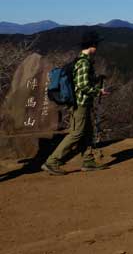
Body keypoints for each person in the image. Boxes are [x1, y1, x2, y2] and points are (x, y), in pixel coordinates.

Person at [41, 30, 110, 175]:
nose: (97, 47)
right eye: (96, 44)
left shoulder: (81, 61)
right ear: (92, 45)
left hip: (81, 103)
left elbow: (82, 81)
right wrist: (98, 91)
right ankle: (52, 161)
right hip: (80, 104)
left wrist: (97, 79)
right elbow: (83, 86)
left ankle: (88, 160)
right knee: (77, 133)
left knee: (87, 133)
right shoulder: (84, 63)